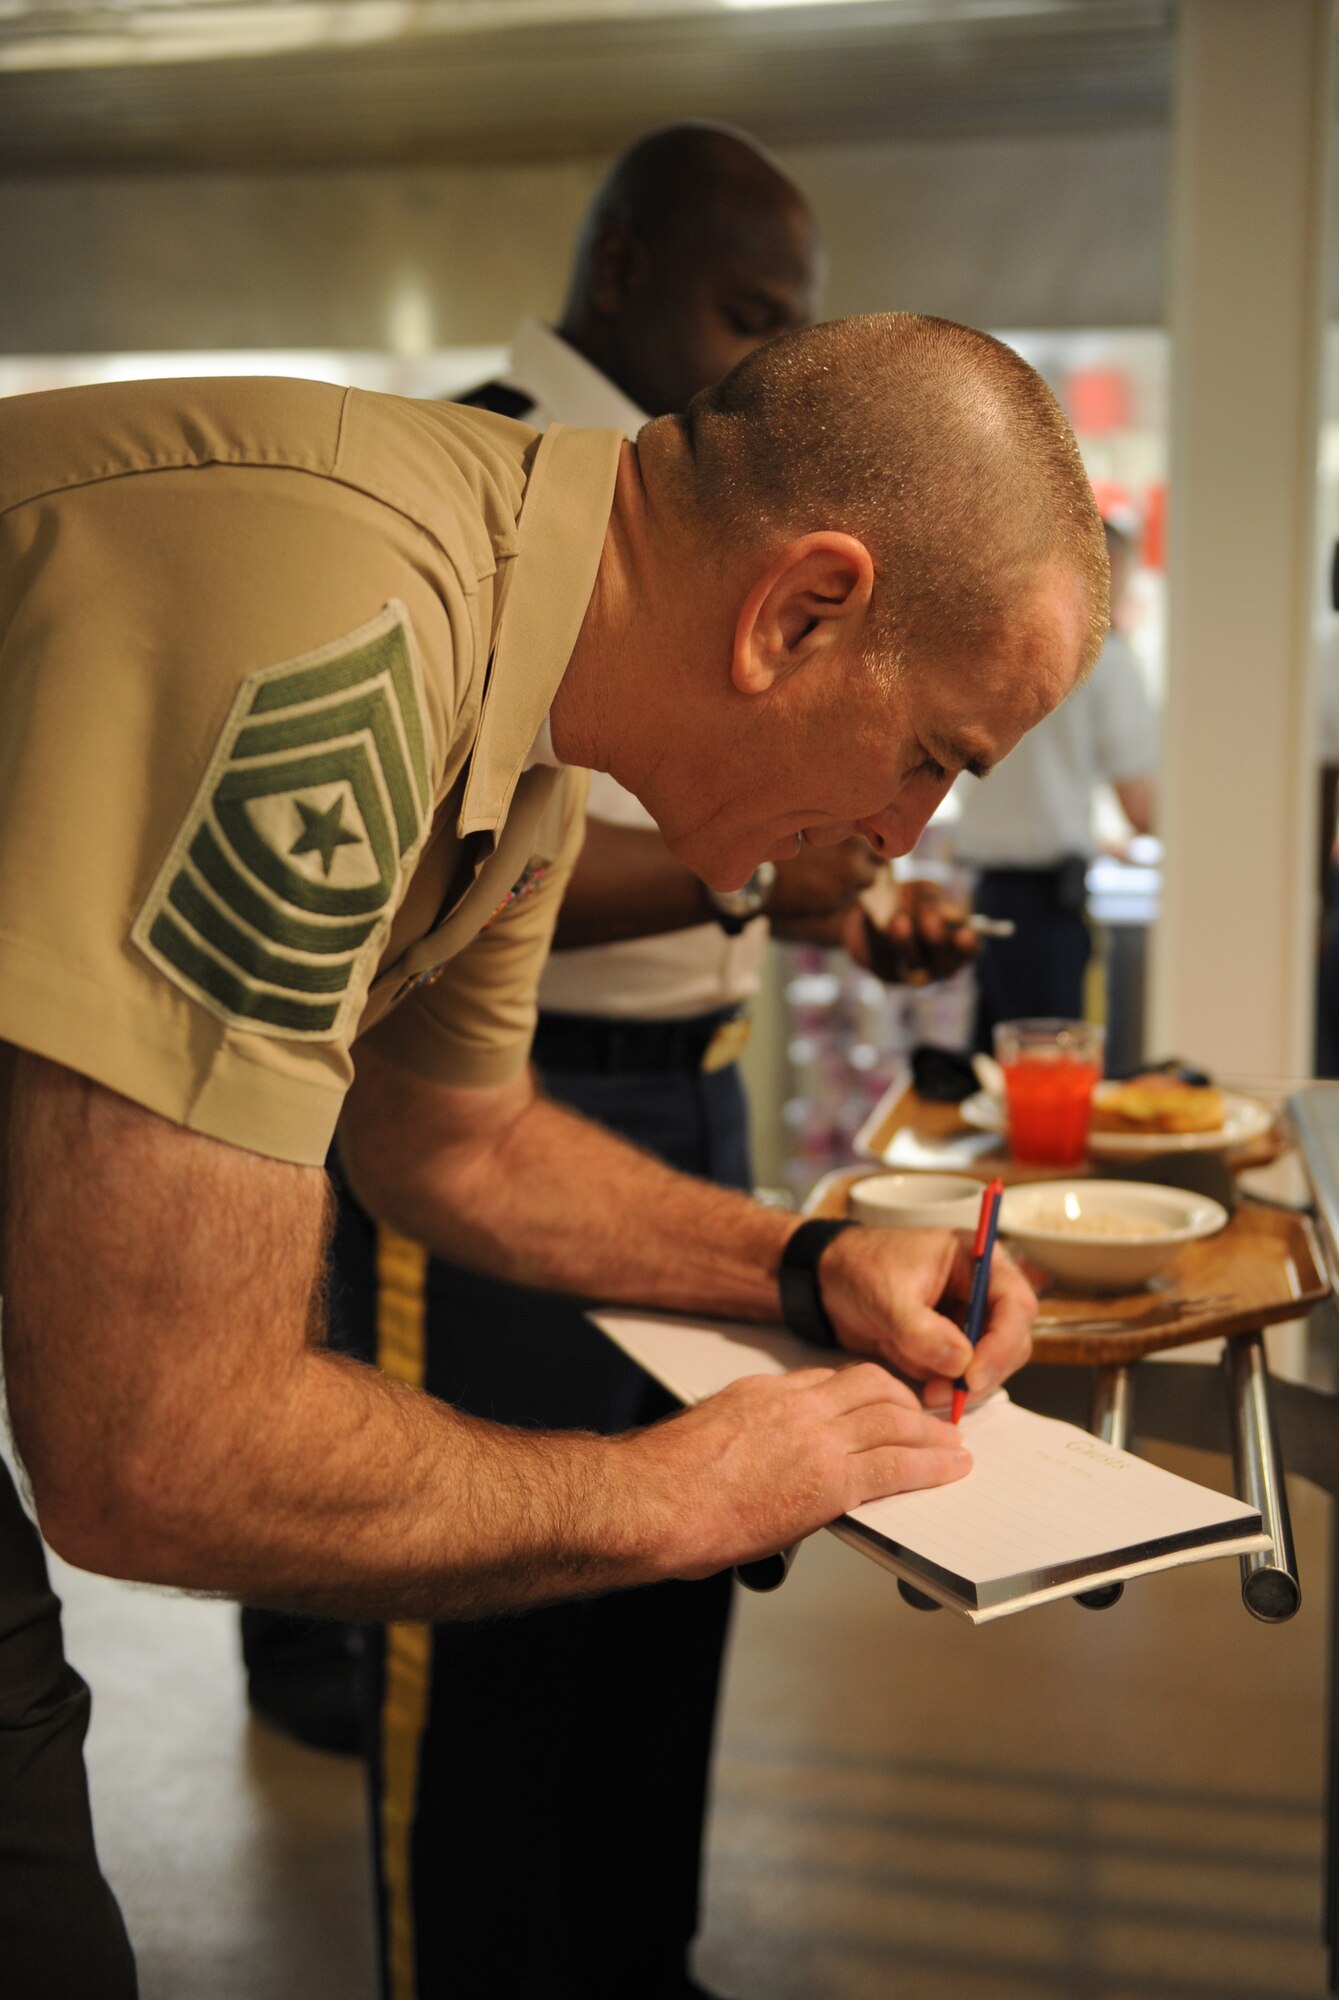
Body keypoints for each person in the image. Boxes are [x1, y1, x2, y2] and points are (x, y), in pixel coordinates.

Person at [0, 308, 1104, 1996]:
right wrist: (672, 1493)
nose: (902, 839)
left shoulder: (530, 694)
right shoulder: (342, 635)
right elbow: (151, 1448)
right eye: (927, 759)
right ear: (799, 612)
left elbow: (455, 1144)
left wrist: (799, 1264)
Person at [308, 124, 986, 2000]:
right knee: (485, 1594)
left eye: (795, 324)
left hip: (686, 1081)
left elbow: (728, 855)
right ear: (618, 272)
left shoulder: (738, 524)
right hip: (501, 1093)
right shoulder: (501, 471)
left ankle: (634, 1948)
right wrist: (752, 866)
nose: (762, 358)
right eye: (742, 311)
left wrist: (829, 890)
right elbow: (476, 846)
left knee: (689, 1558)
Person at [952, 518, 1156, 1049]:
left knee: (996, 1079)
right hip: (1046, 907)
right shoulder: (1105, 663)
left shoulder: (989, 647)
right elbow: (1142, 807)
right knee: (1051, 1078)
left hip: (988, 895)